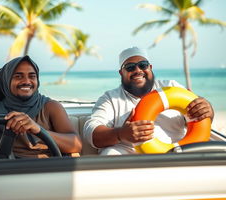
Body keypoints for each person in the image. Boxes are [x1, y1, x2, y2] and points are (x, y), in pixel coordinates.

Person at [83, 47, 214, 155]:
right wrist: (121, 134)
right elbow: (91, 132)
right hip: (130, 155)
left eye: (143, 65)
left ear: (150, 67)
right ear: (121, 73)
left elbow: (200, 116)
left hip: (178, 152)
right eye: (130, 67)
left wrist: (207, 109)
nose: (138, 70)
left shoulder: (171, 87)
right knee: (109, 154)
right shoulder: (110, 99)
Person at [0, 56, 82, 159]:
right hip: (1, 173)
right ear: (6, 81)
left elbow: (76, 145)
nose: (26, 81)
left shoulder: (51, 107)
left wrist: (37, 129)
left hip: (45, 173)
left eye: (32, 76)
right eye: (18, 76)